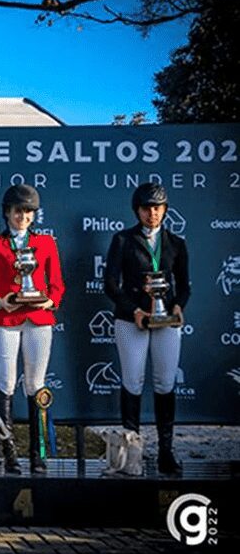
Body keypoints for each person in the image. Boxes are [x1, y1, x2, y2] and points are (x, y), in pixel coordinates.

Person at [0, 184, 64, 474]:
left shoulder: (47, 243)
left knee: (36, 384)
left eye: (27, 212)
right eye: (17, 211)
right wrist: (0, 301)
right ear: (7, 213)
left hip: (38, 319)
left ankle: (37, 451)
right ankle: (9, 450)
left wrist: (51, 300)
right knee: (6, 382)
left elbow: (57, 284)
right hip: (5, 320)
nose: (22, 217)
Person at [105, 183, 188, 476]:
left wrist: (178, 307)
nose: (152, 213)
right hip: (132, 320)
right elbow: (110, 284)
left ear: (165, 210)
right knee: (133, 381)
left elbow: (184, 285)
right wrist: (134, 310)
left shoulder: (176, 243)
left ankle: (166, 451)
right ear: (136, 210)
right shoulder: (122, 240)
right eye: (146, 208)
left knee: (165, 383)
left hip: (165, 321)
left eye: (157, 208)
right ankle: (132, 451)